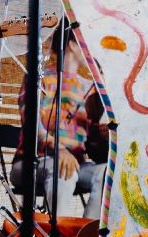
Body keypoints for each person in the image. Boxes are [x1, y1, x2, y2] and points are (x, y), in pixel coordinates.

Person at [11, 23, 106, 219]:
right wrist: (60, 150)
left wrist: (104, 132)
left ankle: (85, 234)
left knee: (107, 174)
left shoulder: (89, 88)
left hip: (77, 164)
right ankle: (57, 234)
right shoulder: (39, 78)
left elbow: (95, 148)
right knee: (63, 171)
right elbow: (32, 126)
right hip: (33, 162)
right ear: (72, 44)